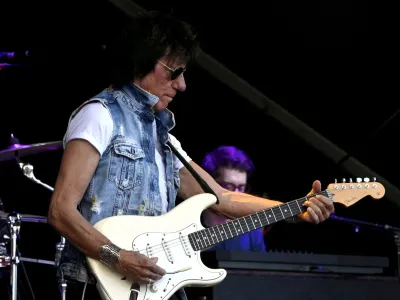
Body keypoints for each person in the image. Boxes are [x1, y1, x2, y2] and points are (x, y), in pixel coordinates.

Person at [47, 11, 335, 300]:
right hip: (98, 285)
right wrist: (117, 256)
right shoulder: (100, 115)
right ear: (143, 60)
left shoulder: (165, 139)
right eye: (174, 72)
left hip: (155, 288)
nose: (182, 84)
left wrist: (292, 209)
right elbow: (61, 210)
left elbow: (222, 199)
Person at [201, 146, 266, 252]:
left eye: (241, 188)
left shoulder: (252, 230)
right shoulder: (187, 221)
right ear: (210, 184)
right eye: (228, 187)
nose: (237, 195)